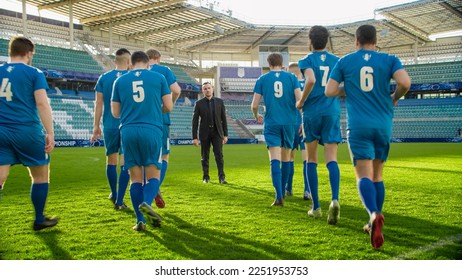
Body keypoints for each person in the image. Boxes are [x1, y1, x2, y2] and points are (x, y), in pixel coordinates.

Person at [325, 24, 411, 249]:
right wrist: (395, 96)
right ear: (375, 41)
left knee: (363, 174)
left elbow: (330, 91)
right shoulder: (389, 59)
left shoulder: (344, 61)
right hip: (383, 124)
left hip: (359, 126)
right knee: (378, 174)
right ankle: (375, 217)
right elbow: (405, 83)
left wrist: (349, 89)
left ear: (356, 41)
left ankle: (373, 215)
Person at [0, 36, 57, 230]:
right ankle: (39, 219)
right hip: (27, 130)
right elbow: (41, 103)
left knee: (0, 177)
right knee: (40, 176)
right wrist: (50, 132)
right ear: (29, 53)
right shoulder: (34, 73)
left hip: (1, 130)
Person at [111, 51, 173, 231]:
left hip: (128, 130)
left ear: (130, 63)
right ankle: (146, 202)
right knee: (153, 174)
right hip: (152, 129)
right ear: (148, 64)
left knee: (135, 178)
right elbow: (168, 106)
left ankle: (140, 221)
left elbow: (115, 112)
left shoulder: (119, 81)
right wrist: (152, 110)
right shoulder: (159, 77)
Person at [296, 25, 342, 225]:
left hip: (312, 113)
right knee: (331, 158)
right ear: (327, 40)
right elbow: (343, 86)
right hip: (331, 111)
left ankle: (316, 207)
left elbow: (311, 79)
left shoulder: (306, 60)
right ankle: (334, 199)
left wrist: (301, 101)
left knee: (311, 159)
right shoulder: (337, 61)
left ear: (310, 40)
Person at [251, 53, 301, 206]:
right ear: (282, 63)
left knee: (274, 158)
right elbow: (299, 100)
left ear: (269, 64)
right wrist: (300, 119)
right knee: (287, 158)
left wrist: (256, 115)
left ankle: (278, 196)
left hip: (272, 122)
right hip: (289, 123)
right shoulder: (292, 78)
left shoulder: (262, 79)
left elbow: (254, 105)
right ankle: (284, 190)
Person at [92, 48, 131, 210]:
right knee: (125, 163)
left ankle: (113, 194)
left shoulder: (104, 78)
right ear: (129, 62)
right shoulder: (131, 79)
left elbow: (98, 104)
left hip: (109, 124)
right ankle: (120, 201)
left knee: (111, 160)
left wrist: (95, 126)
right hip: (127, 124)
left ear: (115, 61)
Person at [146, 49, 181, 208]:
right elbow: (177, 90)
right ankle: (155, 189)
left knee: (144, 159)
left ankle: (146, 190)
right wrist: (169, 105)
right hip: (161, 120)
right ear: (158, 58)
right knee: (164, 156)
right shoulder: (164, 70)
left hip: (142, 120)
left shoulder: (138, 72)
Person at [192, 82, 229, 184]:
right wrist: (194, 137)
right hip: (204, 133)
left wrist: (225, 134)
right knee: (205, 156)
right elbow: (194, 121)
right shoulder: (199, 104)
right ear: (203, 91)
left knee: (219, 156)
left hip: (217, 132)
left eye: (209, 88)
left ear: (212, 89)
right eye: (205, 89)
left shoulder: (219, 102)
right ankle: (206, 177)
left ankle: (222, 177)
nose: (207, 90)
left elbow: (224, 119)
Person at [287, 62, 311, 200]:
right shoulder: (308, 85)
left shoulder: (289, 85)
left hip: (290, 124)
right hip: (304, 124)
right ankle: (307, 191)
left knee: (289, 157)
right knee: (306, 159)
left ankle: (288, 188)